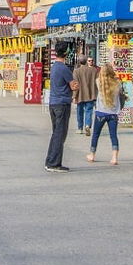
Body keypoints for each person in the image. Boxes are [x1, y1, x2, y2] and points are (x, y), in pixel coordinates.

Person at [45, 42, 78, 173]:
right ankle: (53, 163)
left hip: (53, 102)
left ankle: (51, 160)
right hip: (62, 103)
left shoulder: (54, 67)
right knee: (60, 134)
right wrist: (76, 86)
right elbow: (73, 85)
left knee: (56, 133)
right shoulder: (64, 68)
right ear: (66, 53)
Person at [87, 63, 121, 165]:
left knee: (96, 134)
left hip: (101, 112)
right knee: (113, 135)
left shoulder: (98, 82)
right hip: (113, 113)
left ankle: (92, 155)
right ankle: (114, 158)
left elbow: (99, 79)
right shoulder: (117, 83)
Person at [73, 55, 99, 136]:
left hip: (80, 95)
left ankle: (80, 128)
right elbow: (97, 83)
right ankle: (87, 125)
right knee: (89, 111)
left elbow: (75, 84)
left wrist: (74, 96)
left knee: (79, 111)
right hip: (90, 95)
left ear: (79, 62)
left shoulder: (76, 71)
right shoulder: (94, 70)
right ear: (86, 61)